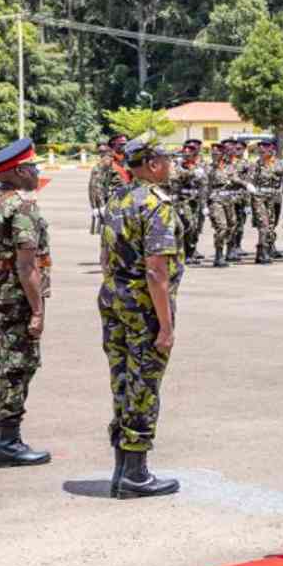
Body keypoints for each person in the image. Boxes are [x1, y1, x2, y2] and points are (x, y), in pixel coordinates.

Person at [99, 134, 183, 498]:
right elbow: (156, 272)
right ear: (151, 164)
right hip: (143, 306)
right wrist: (165, 325)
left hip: (113, 299)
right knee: (144, 384)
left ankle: (122, 468)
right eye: (166, 158)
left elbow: (105, 257)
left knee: (122, 379)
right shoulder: (156, 204)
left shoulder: (117, 198)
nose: (170, 164)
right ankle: (135, 473)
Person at [0, 138, 54, 467]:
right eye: (34, 167)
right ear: (20, 171)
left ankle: (2, 437)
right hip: (15, 297)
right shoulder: (22, 205)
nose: (37, 173)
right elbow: (26, 264)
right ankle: (8, 442)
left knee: (0, 362)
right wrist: (37, 310)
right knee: (18, 365)